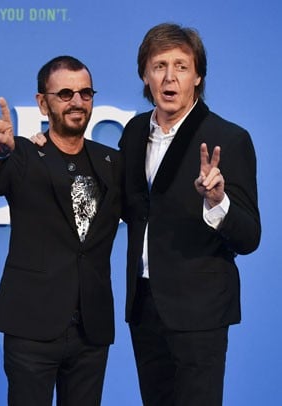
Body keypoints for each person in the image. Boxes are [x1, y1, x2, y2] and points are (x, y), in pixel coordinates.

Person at [0, 56, 122, 405]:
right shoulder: (23, 154)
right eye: (65, 94)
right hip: (31, 326)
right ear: (42, 102)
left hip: (91, 329)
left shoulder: (112, 162)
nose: (77, 102)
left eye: (85, 93)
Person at [119, 23, 261, 405]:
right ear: (145, 75)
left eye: (181, 66)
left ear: (197, 76)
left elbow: (249, 236)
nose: (170, 77)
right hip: (144, 306)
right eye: (159, 65)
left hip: (200, 312)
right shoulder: (134, 133)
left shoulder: (229, 139)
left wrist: (217, 201)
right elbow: (127, 205)